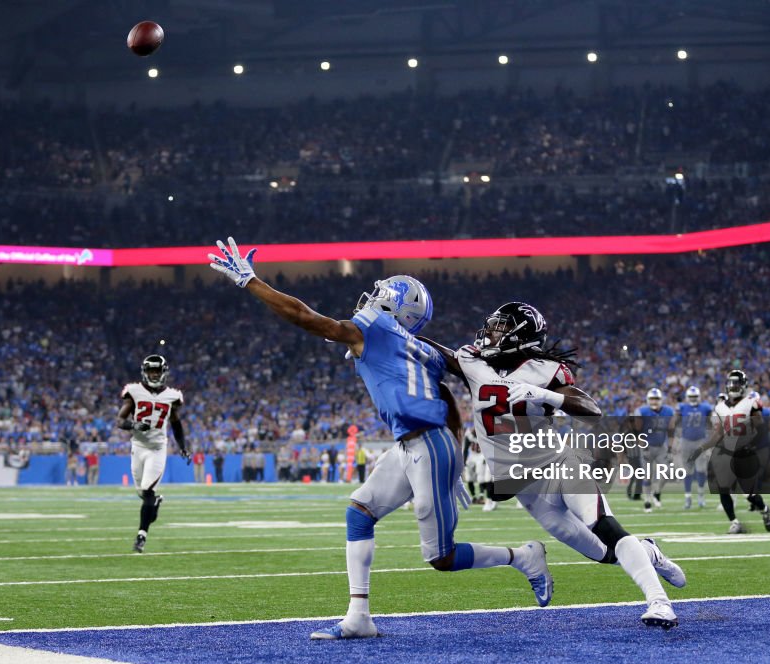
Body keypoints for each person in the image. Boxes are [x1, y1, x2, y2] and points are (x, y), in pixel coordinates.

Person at [209, 238, 552, 641]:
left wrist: (251, 282)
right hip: (416, 443)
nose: (371, 297)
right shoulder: (417, 345)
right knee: (359, 512)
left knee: (441, 557)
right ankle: (359, 617)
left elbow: (305, 317)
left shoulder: (375, 328)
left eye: (380, 293)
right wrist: (456, 450)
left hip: (428, 444)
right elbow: (445, 395)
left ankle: (524, 557)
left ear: (394, 303)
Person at [423, 301, 683, 629]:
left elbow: (591, 409)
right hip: (528, 489)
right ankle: (650, 552)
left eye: (500, 327)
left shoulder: (545, 370)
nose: (490, 333)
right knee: (604, 554)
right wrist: (382, 334)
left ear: (520, 335)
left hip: (559, 465)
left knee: (606, 527)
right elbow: (432, 349)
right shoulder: (473, 362)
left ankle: (660, 603)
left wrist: (547, 396)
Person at [116, 355, 190, 553]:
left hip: (157, 449)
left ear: (164, 372)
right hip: (138, 447)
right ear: (145, 372)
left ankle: (141, 536)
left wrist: (182, 446)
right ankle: (154, 503)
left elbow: (175, 423)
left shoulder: (172, 396)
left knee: (147, 491)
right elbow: (120, 421)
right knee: (144, 495)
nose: (154, 374)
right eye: (151, 371)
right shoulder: (134, 392)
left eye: (157, 371)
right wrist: (134, 424)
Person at [690, 370, 770, 534]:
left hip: (746, 452)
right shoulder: (720, 406)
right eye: (731, 383)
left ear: (743, 385)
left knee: (749, 495)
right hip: (728, 453)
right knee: (722, 488)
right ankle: (735, 522)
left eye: (737, 383)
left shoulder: (751, 402)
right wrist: (702, 448)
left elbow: (760, 423)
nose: (733, 386)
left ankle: (764, 509)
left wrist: (749, 431)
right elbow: (719, 433)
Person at [636, 388, 675, 512]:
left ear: (661, 400)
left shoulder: (669, 411)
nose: (654, 401)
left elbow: (671, 431)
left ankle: (656, 492)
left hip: (661, 447)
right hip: (646, 446)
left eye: (656, 399)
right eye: (652, 399)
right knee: (647, 476)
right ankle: (647, 501)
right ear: (648, 400)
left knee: (667, 472)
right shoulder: (641, 411)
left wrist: (669, 449)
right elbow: (637, 432)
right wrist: (644, 447)